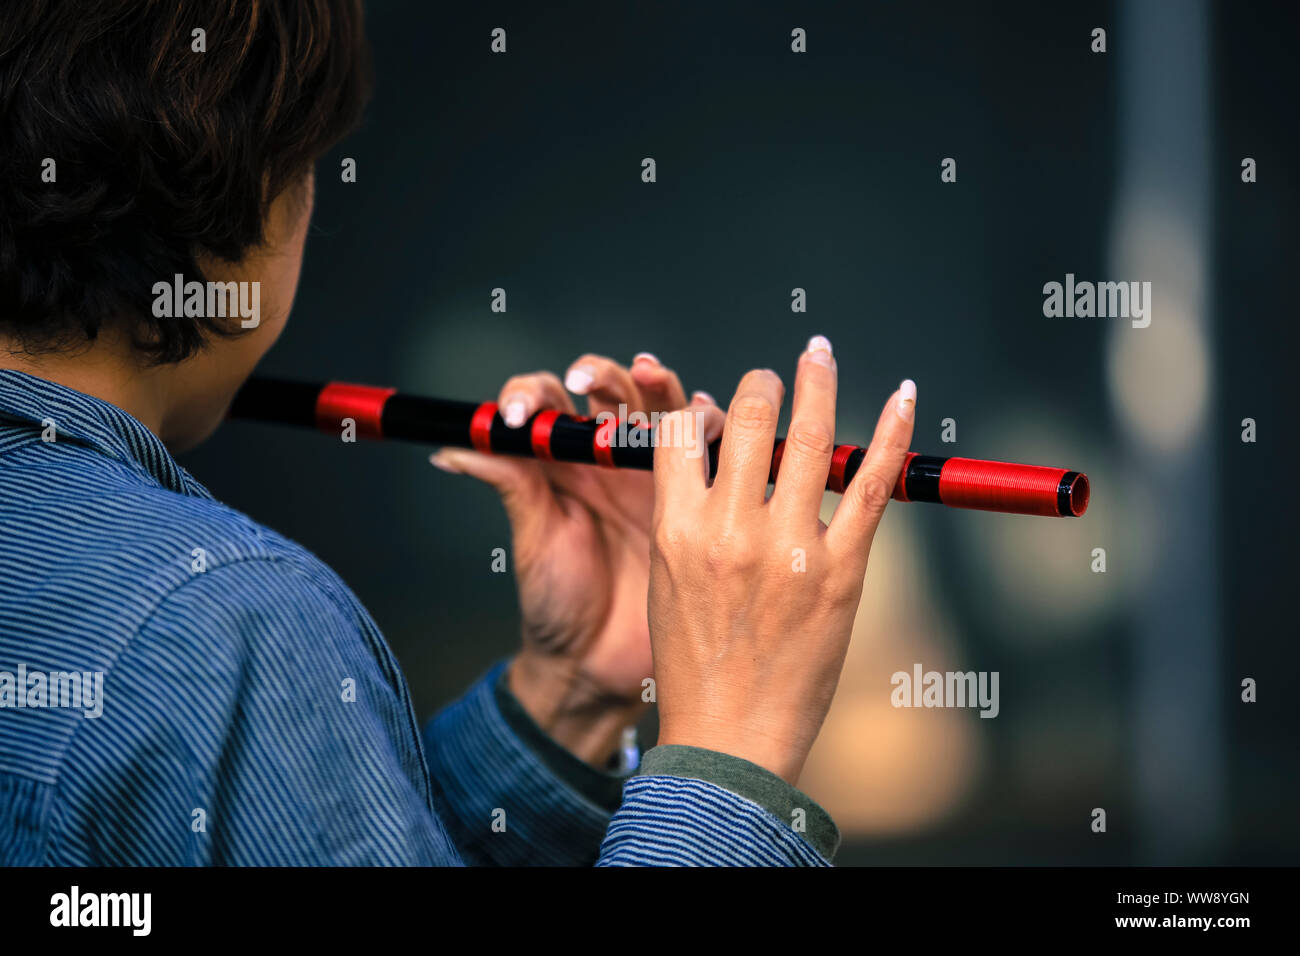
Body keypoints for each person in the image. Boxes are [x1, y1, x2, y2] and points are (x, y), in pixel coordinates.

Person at [0, 0, 915, 866]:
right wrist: (732, 754)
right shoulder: (228, 623)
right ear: (239, 188)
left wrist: (569, 697)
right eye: (312, 162)